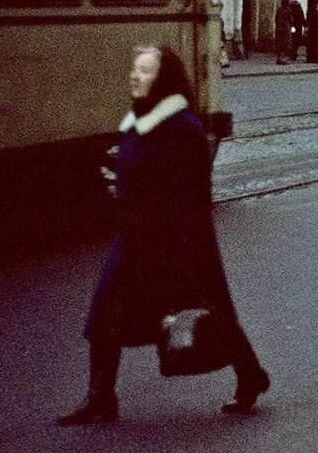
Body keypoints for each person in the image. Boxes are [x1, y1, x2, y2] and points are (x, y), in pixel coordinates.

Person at [58, 45, 270, 425]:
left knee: (210, 311)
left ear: (163, 79)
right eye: (134, 69)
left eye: (144, 70)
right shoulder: (141, 121)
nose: (134, 76)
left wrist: (135, 191)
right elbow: (137, 166)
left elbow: (187, 192)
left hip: (177, 243)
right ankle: (101, 397)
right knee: (106, 313)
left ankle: (250, 375)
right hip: (136, 238)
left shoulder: (182, 127)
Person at [273, 0, 293, 64]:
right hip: (286, 29)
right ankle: (283, 59)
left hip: (279, 29)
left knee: (279, 44)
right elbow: (291, 20)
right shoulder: (288, 10)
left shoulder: (279, 10)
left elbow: (276, 19)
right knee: (285, 44)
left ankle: (278, 58)